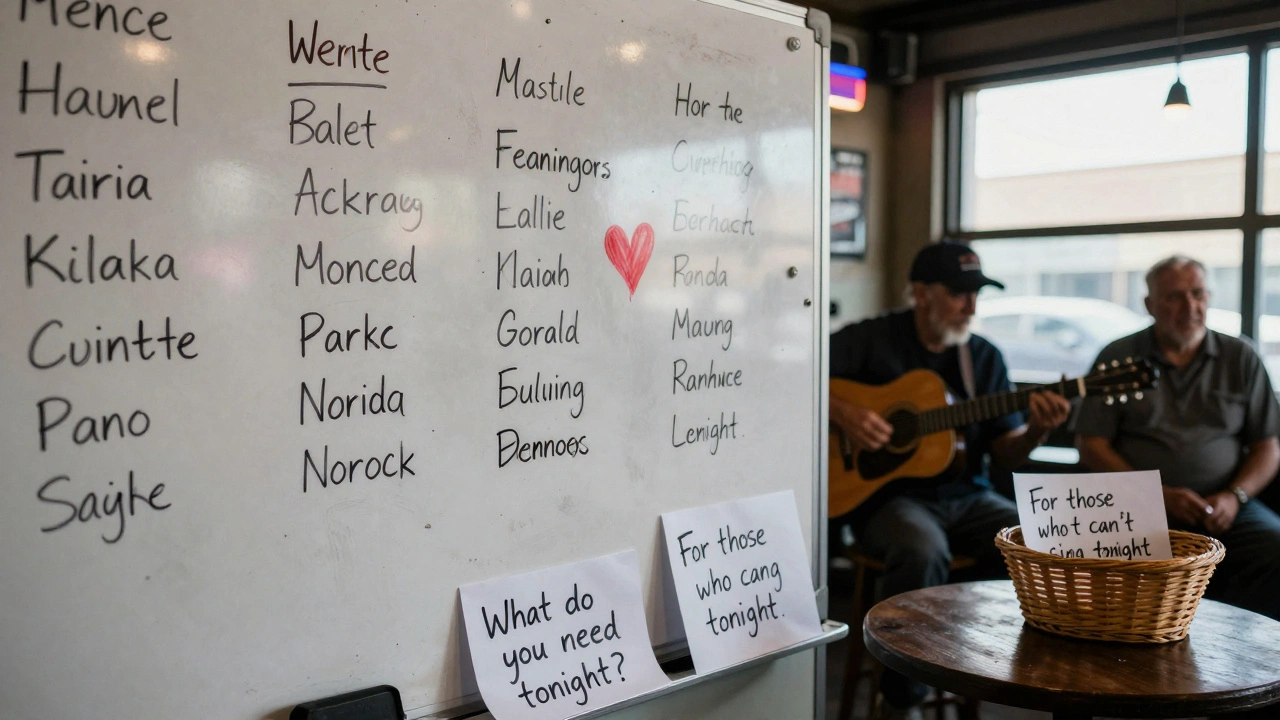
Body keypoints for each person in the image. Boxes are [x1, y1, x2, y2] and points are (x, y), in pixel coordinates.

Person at [830, 241, 1071, 717]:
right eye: (959, 293)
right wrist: (846, 412)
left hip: (969, 498)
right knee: (922, 551)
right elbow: (797, 375)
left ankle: (1002, 671)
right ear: (921, 293)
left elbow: (1004, 453)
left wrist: (1039, 430)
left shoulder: (983, 358)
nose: (972, 306)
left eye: (977, 293)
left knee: (1038, 540)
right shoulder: (870, 338)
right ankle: (899, 699)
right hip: (886, 500)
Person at [1076, 255, 1280, 621]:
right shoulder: (1118, 357)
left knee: (1276, 548)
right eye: (1174, 297)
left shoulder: (1241, 356)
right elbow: (1091, 445)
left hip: (1227, 505)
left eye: (1198, 294)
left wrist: (1235, 496)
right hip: (1135, 507)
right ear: (1150, 305)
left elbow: (1268, 446)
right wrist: (1154, 495)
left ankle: (1256, 666)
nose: (1190, 307)